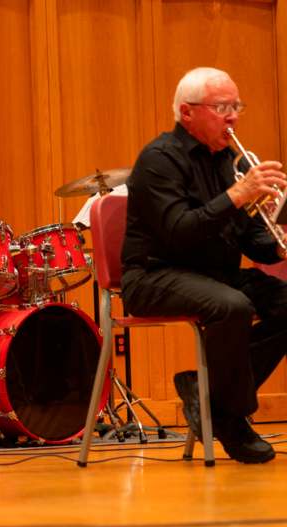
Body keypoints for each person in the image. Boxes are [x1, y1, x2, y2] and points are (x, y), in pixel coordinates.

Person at [121, 66, 287, 463]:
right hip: (154, 274)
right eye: (221, 107)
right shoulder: (159, 159)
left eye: (236, 106)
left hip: (215, 276)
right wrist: (236, 196)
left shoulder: (228, 161)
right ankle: (230, 421)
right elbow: (178, 231)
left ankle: (206, 393)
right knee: (232, 305)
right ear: (187, 112)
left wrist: (280, 246)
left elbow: (251, 240)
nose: (232, 116)